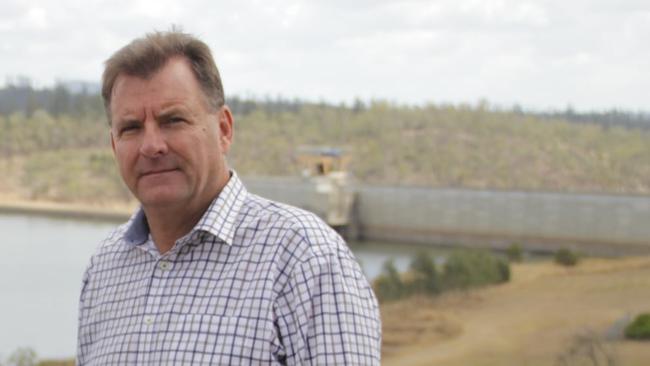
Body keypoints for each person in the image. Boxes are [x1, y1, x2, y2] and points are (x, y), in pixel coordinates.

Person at [76, 30, 381, 365]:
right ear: (113, 144)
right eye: (131, 128)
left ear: (224, 129)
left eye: (173, 120)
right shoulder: (106, 266)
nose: (152, 146)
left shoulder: (304, 258)